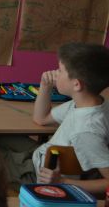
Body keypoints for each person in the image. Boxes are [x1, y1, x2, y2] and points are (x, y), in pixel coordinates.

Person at [30, 42, 109, 195]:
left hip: (41, 176)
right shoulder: (87, 104)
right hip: (41, 156)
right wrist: (45, 85)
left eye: (60, 70)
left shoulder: (85, 130)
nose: (55, 73)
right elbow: (41, 118)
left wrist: (62, 182)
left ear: (77, 84)